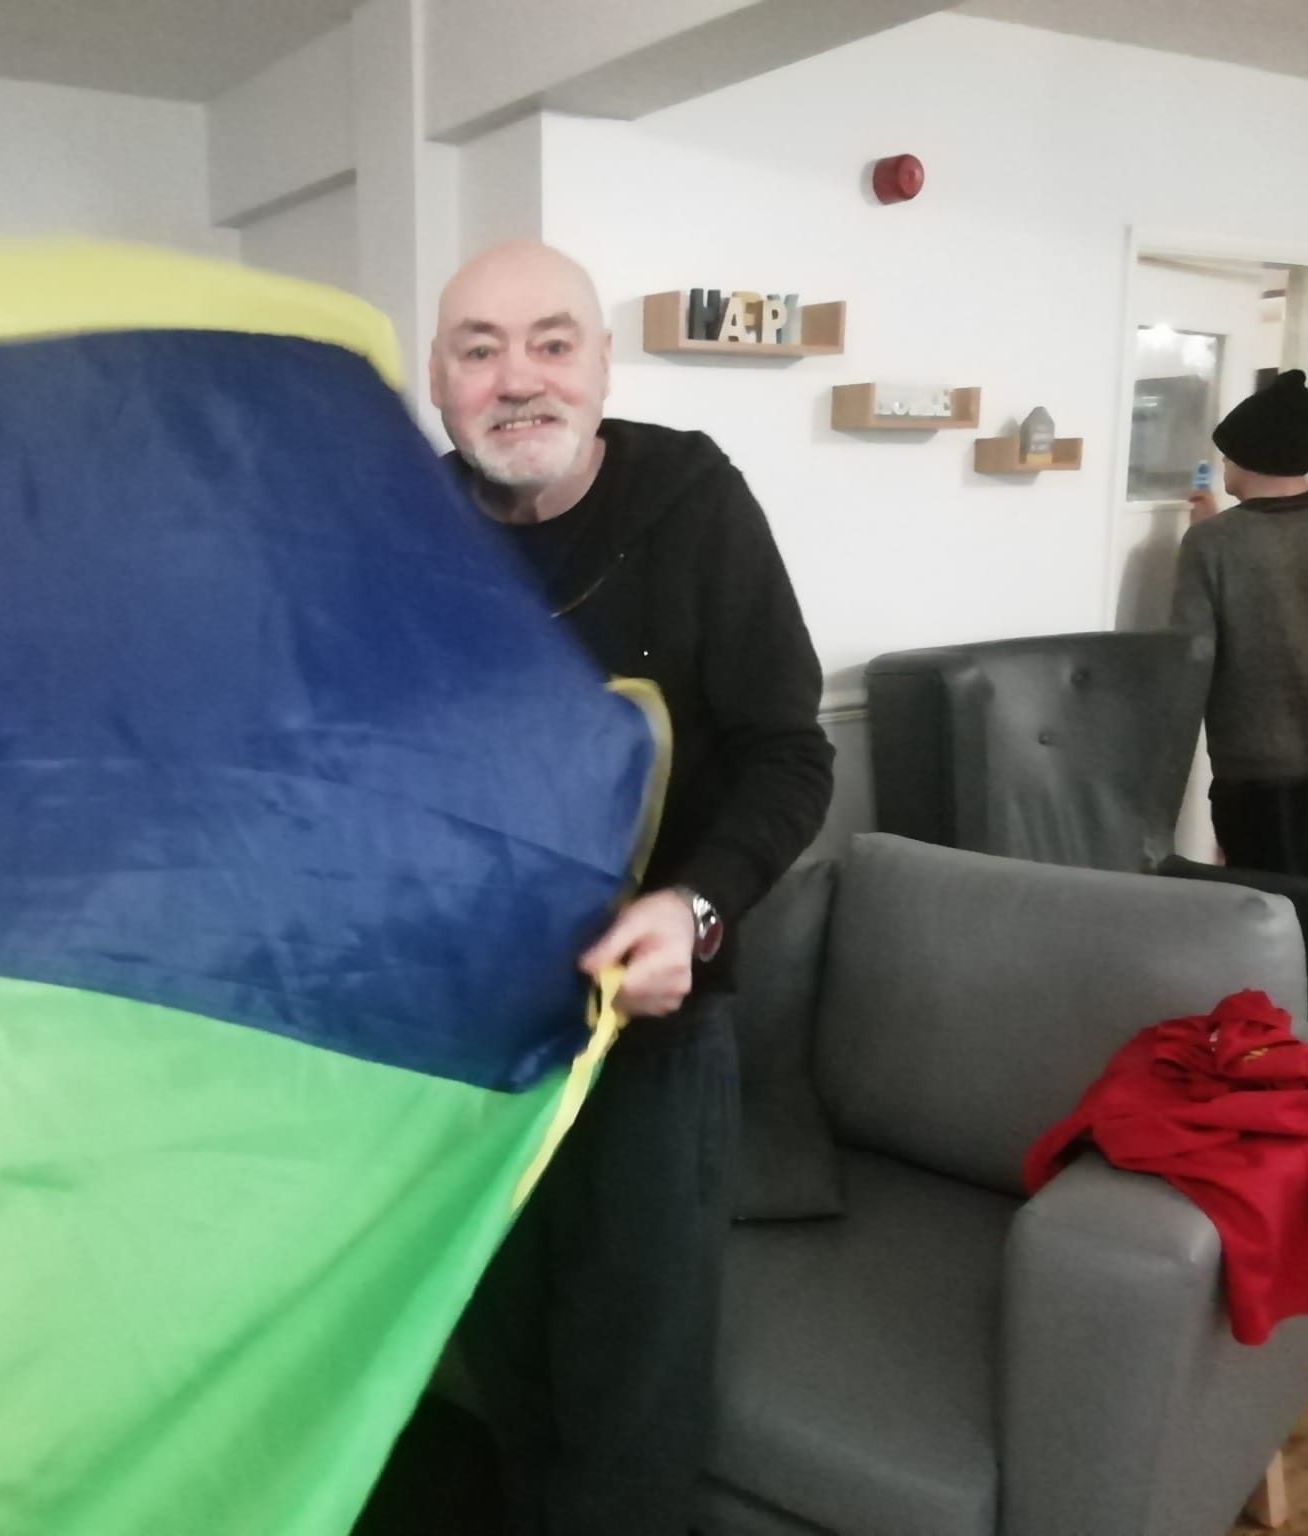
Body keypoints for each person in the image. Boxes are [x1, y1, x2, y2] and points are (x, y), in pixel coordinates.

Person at [429, 240, 833, 1535]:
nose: (517, 378)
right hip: (469, 1046)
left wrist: (694, 908)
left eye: (552, 343)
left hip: (651, 1045)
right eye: (479, 349)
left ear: (601, 365)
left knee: (631, 1407)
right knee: (504, 1365)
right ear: (438, 381)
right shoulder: (405, 530)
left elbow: (791, 754)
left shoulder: (693, 503)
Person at [1175, 369, 1308, 880]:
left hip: (1259, 753)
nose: (1223, 464)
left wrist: (1207, 534)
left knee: (1264, 901)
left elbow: (1191, 651)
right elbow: (1284, 538)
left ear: (1249, 456)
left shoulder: (1212, 542)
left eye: (1227, 455)